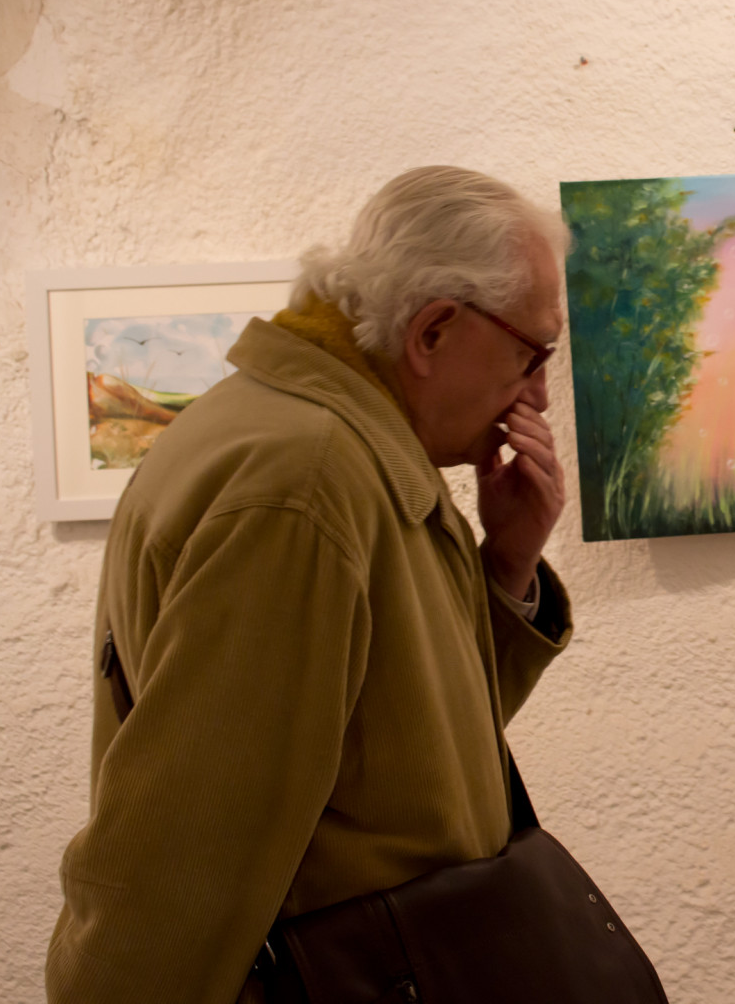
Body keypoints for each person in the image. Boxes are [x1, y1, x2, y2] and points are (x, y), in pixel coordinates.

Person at [46, 167, 573, 1003]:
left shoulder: (346, 443)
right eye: (531, 354)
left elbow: (393, 752)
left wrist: (505, 568)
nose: (537, 394)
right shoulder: (309, 480)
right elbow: (191, 841)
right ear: (433, 331)